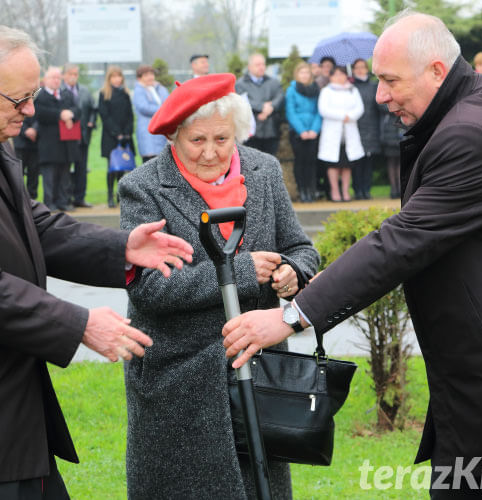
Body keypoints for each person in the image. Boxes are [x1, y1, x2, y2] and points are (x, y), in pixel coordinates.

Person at [221, 11, 482, 500]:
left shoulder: (474, 132)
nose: (380, 95)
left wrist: (292, 317)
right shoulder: (469, 109)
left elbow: (402, 241)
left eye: (391, 81)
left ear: (437, 70)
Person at [0, 24, 193, 500]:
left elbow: (33, 224)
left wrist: (120, 248)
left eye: (33, 97)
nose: (29, 112)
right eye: (19, 99)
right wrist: (79, 323)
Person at [118, 73, 319, 500]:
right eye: (197, 140)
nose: (211, 152)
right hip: (179, 379)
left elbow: (300, 247)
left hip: (259, 368)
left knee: (259, 486)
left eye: (222, 139)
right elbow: (149, 287)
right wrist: (242, 271)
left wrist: (292, 273)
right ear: (174, 136)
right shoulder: (143, 186)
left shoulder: (263, 170)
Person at [34, 66, 81, 211]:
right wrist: (60, 114)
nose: (56, 81)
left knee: (64, 174)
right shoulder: (40, 96)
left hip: (66, 143)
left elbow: (77, 110)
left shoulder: (66, 94)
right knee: (50, 175)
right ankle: (50, 202)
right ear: (45, 79)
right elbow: (40, 114)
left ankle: (63, 201)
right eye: (52, 78)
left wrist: (70, 114)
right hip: (49, 143)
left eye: (57, 78)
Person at [318, 65, 364, 202]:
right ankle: (335, 190)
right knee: (333, 164)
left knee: (347, 164)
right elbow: (323, 109)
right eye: (336, 74)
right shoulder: (326, 91)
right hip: (333, 132)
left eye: (342, 74)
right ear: (331, 77)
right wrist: (341, 116)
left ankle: (345, 190)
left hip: (349, 131)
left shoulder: (353, 90)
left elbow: (360, 108)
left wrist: (350, 116)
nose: (339, 77)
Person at [97, 65, 134, 208]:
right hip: (110, 136)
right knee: (111, 167)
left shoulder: (125, 93)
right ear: (109, 78)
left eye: (119, 76)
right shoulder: (104, 94)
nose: (117, 79)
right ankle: (109, 195)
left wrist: (127, 132)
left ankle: (119, 195)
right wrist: (116, 132)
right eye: (114, 77)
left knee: (122, 167)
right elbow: (104, 115)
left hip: (125, 136)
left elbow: (130, 115)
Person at [285, 61, 321, 202]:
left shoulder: (315, 89)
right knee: (300, 161)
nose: (305, 75)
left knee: (311, 162)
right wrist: (301, 131)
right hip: (297, 133)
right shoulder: (292, 90)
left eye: (307, 72)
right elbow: (290, 112)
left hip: (312, 131)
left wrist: (314, 129)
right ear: (297, 74)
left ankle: (311, 190)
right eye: (302, 72)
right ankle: (302, 190)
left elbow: (319, 111)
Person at [236, 53, 284, 156]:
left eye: (263, 64)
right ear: (249, 67)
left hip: (271, 130)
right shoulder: (241, 84)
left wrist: (271, 107)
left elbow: (280, 97)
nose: (261, 67)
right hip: (252, 133)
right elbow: (242, 101)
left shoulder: (273, 82)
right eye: (257, 64)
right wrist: (262, 106)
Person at [62, 63, 96, 208]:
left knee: (82, 168)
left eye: (75, 74)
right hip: (66, 137)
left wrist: (91, 122)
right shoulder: (60, 91)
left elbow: (94, 109)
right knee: (66, 168)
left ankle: (80, 197)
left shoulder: (85, 91)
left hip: (83, 136)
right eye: (70, 74)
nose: (73, 77)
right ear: (64, 75)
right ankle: (66, 197)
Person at [352, 58, 382, 200]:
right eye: (357, 67)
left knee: (368, 162)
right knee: (357, 162)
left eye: (362, 67)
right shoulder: (350, 87)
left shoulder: (373, 86)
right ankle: (357, 190)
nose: (360, 70)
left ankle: (366, 190)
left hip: (371, 127)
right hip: (355, 128)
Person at [133, 64, 169, 162]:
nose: (150, 77)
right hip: (147, 131)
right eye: (146, 75)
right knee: (149, 162)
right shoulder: (139, 91)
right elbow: (143, 107)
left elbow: (169, 102)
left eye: (151, 74)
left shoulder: (160, 89)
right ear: (140, 78)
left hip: (162, 129)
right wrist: (162, 110)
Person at [13, 114, 40, 199]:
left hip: (35, 144)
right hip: (20, 143)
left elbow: (41, 117)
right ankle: (18, 198)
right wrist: (25, 131)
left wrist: (35, 129)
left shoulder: (38, 102)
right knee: (17, 173)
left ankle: (32, 198)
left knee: (34, 173)